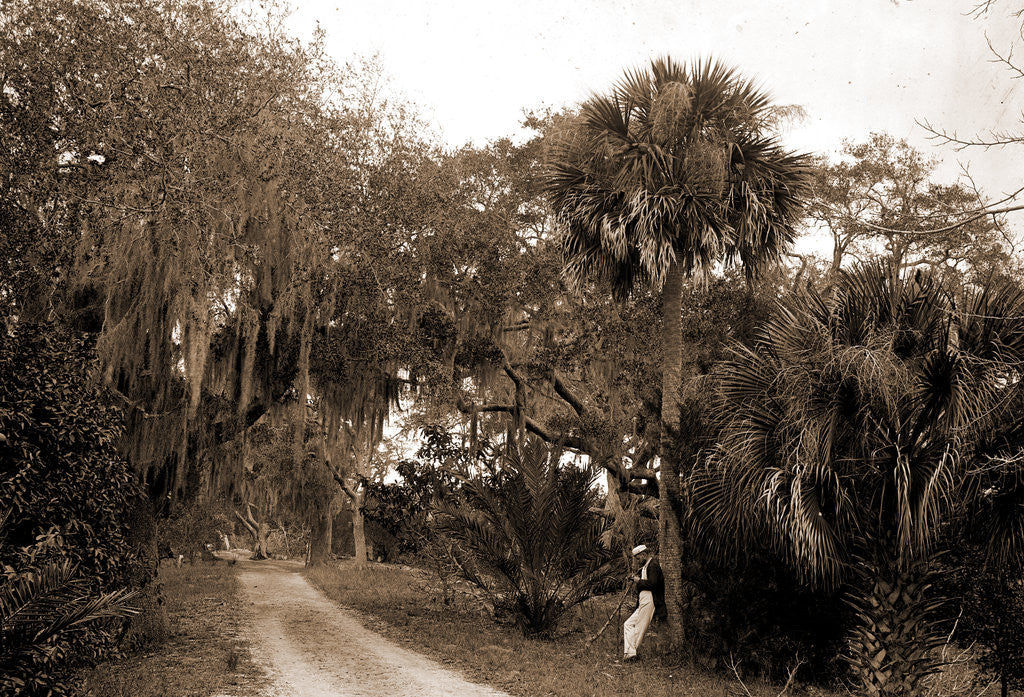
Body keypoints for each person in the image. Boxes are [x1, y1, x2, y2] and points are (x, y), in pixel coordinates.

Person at [623, 544, 664, 661]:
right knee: (628, 624)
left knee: (640, 628)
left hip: (650, 600)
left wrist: (638, 581)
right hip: (643, 601)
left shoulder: (653, 565)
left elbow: (653, 584)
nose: (637, 560)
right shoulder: (646, 566)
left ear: (644, 554)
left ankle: (631, 655)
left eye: (638, 558)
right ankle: (631, 653)